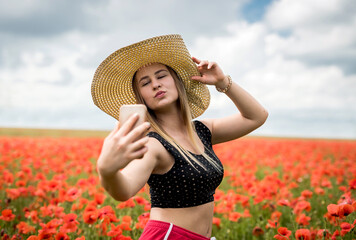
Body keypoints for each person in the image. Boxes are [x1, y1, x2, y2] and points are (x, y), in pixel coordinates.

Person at [91, 34, 268, 240]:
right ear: (141, 97)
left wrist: (222, 82)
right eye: (145, 83)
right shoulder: (154, 145)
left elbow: (256, 117)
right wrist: (107, 170)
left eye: (161, 76)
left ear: (176, 81)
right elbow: (124, 190)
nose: (156, 85)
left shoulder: (202, 131)